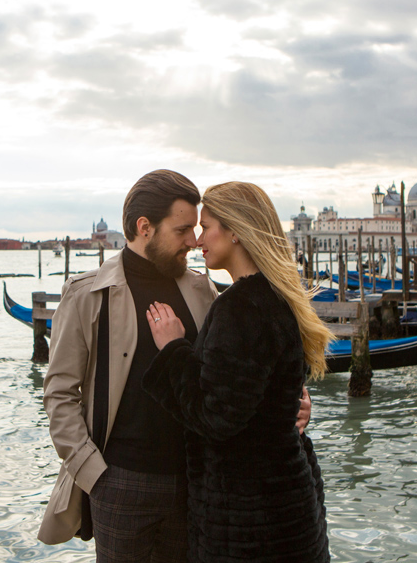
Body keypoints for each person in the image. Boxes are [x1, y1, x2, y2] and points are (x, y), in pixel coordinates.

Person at [38, 170, 312, 561]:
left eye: (197, 228)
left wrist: (289, 407)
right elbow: (59, 393)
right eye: (182, 230)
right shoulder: (86, 296)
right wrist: (94, 474)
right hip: (120, 483)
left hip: (195, 487)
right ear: (144, 227)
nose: (192, 241)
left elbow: (235, 376)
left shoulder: (204, 291)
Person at [142, 181, 331, 562]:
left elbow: (215, 417)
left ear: (236, 231)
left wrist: (173, 348)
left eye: (207, 225)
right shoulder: (275, 295)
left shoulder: (241, 306)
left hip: (250, 523)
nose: (197, 239)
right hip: (288, 504)